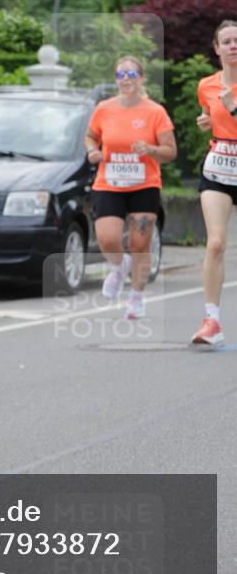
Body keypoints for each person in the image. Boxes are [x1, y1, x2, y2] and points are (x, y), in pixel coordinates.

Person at [85, 56, 177, 318]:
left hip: (144, 185)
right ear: (116, 79)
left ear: (141, 78)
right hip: (109, 183)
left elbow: (170, 151)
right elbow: (91, 136)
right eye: (121, 75)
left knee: (140, 243)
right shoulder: (104, 108)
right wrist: (93, 150)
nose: (126, 79)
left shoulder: (155, 112)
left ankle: (136, 297)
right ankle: (119, 266)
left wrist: (150, 149)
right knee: (107, 238)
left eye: (132, 74)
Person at [192, 19, 237, 346]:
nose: (233, 46)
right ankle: (212, 321)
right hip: (219, 167)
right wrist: (208, 121)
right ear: (217, 48)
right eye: (227, 41)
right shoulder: (206, 85)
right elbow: (211, 117)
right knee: (216, 243)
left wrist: (233, 107)